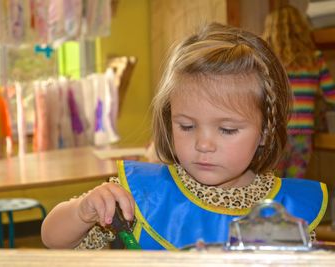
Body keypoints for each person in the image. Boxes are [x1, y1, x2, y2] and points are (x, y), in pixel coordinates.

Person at [41, 22, 328, 250]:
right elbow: (52, 239)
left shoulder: (289, 208)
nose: (203, 144)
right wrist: (82, 211)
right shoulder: (143, 193)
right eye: (187, 126)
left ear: (265, 131)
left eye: (227, 129)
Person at [262, 5, 335, 178]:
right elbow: (332, 97)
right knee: (295, 183)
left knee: (270, 184)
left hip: (275, 134)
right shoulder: (314, 59)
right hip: (303, 135)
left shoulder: (269, 61)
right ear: (301, 30)